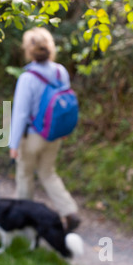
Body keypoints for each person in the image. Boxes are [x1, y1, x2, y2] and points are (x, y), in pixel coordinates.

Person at [9, 27, 80, 231]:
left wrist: (13, 144)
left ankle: (25, 219)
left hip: (32, 136)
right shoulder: (60, 71)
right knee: (48, 173)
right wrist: (63, 130)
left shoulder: (27, 78)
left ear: (28, 51)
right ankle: (69, 211)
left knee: (25, 175)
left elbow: (21, 113)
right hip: (53, 134)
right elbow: (64, 104)